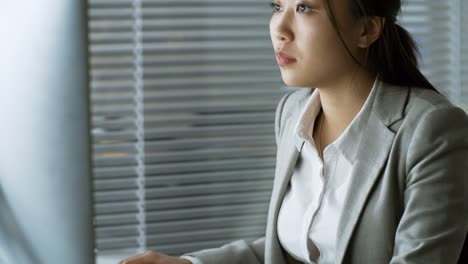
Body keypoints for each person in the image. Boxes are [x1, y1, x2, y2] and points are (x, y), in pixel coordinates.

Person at [120, 0, 468, 263]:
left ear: (367, 30)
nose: (280, 29)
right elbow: (293, 247)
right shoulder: (292, 114)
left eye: (303, 7)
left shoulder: (432, 129)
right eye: (277, 6)